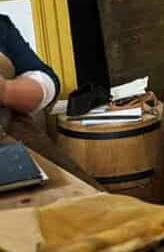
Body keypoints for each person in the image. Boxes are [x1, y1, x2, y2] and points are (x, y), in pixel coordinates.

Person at [0, 14, 100, 186]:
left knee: (95, 204)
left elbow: (47, 79)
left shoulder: (2, 27)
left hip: (14, 138)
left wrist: (7, 91)